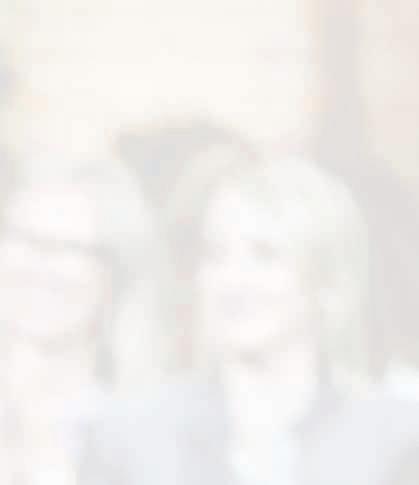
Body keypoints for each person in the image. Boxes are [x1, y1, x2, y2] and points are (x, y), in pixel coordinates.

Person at [77, 129, 419, 485]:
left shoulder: (394, 442)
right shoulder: (131, 438)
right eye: (216, 254)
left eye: (265, 255)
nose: (233, 280)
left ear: (326, 284)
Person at [0, 159, 154, 485]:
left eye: (69, 248)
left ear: (114, 278)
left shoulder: (142, 432)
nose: (39, 266)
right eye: (24, 238)